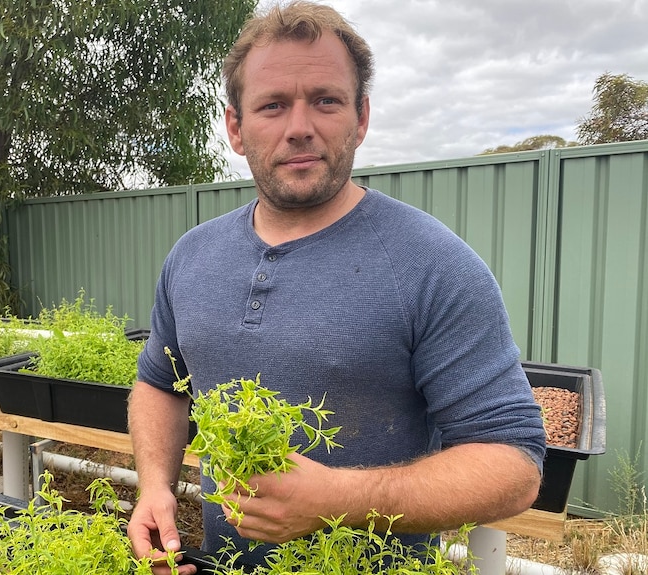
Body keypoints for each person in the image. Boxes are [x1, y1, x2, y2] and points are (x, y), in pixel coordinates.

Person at [127, 1, 547, 572]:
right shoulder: (193, 255)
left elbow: (515, 465)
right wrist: (156, 486)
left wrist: (343, 502)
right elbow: (160, 384)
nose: (299, 127)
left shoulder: (432, 263)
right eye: (272, 106)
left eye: (325, 100)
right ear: (236, 128)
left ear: (362, 117)